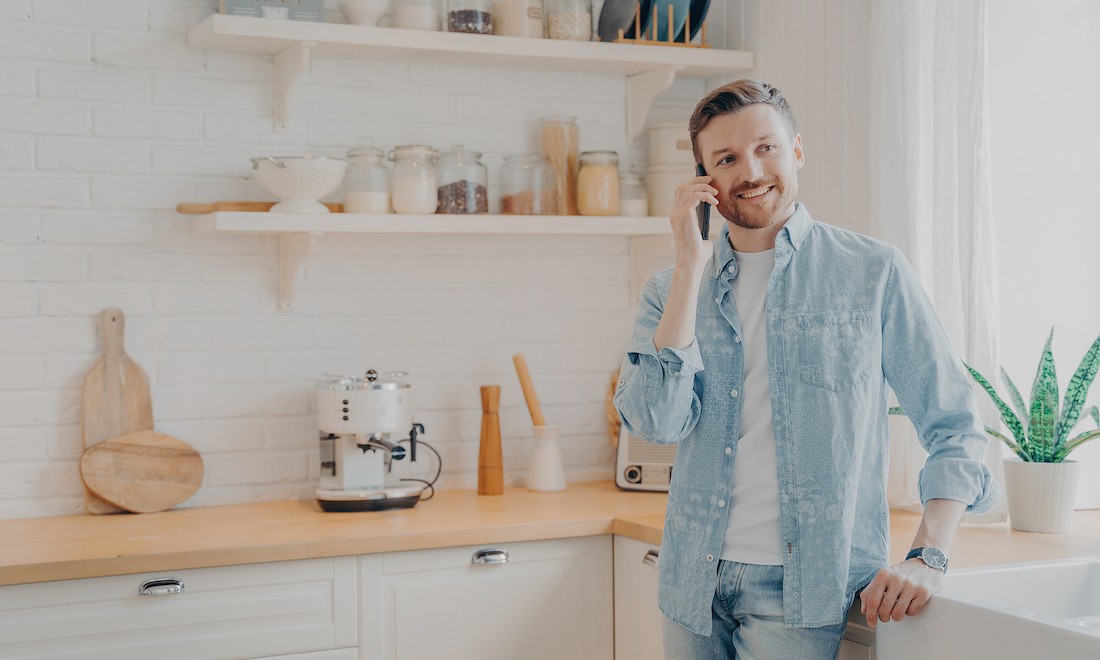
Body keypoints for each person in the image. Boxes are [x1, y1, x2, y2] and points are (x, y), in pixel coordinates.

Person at [613, 79, 999, 659]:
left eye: (765, 147)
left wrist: (929, 554)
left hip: (804, 588)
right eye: (726, 158)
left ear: (797, 150)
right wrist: (690, 265)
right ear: (705, 182)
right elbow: (655, 423)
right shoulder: (670, 290)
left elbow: (956, 425)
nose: (750, 169)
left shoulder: (872, 272)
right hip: (691, 579)